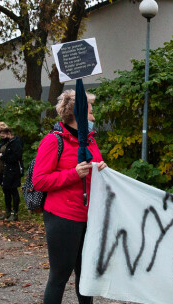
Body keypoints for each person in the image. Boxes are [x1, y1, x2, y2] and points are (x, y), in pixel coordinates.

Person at [33, 89, 106, 304]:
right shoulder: (53, 141)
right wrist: (73, 174)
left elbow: (93, 170)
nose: (93, 117)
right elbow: (39, 181)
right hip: (63, 217)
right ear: (80, 115)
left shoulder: (90, 141)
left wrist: (101, 168)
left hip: (89, 217)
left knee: (86, 277)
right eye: (91, 112)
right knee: (59, 277)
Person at [0, 122, 23, 221]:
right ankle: (7, 211)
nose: (1, 135)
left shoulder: (16, 142)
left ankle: (15, 213)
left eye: (2, 133)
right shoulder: (4, 142)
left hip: (13, 170)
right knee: (5, 190)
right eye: (0, 133)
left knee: (13, 191)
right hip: (3, 170)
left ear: (8, 132)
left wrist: (2, 156)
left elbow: (16, 156)